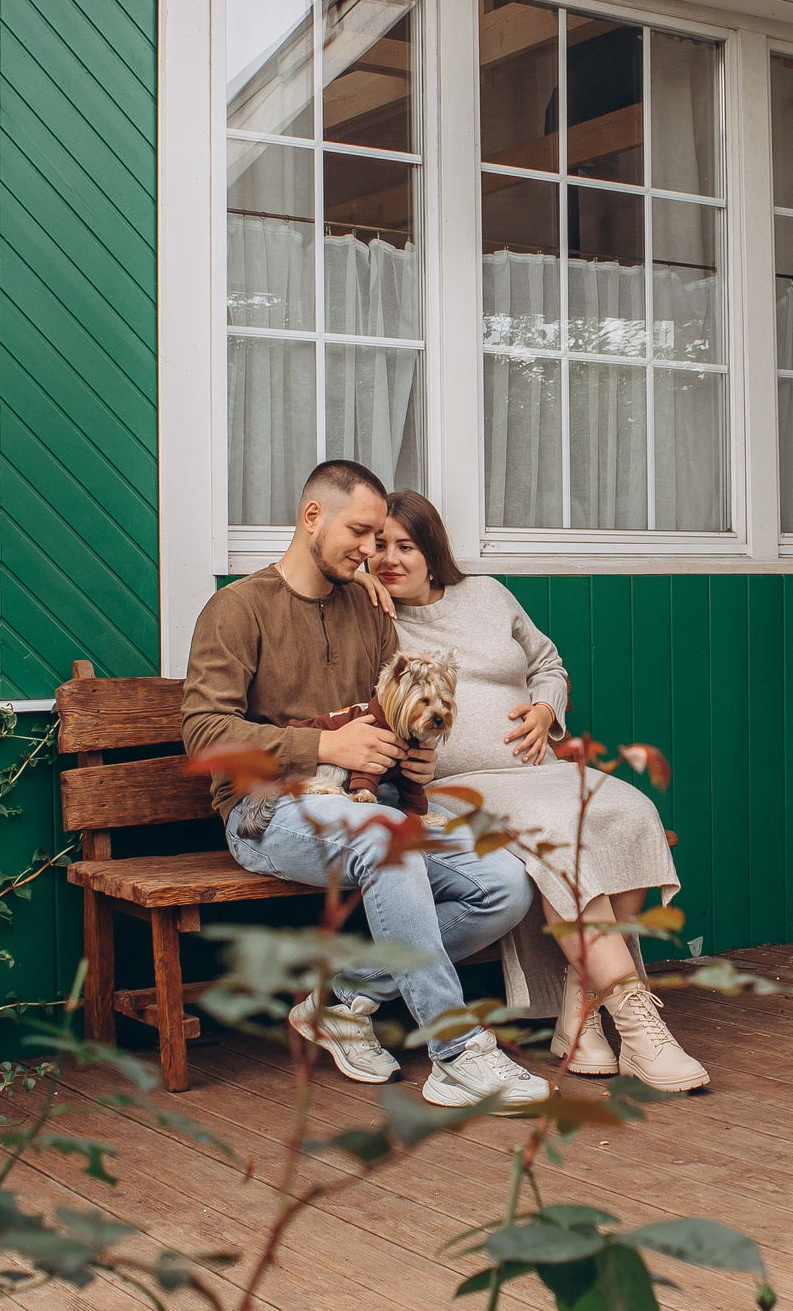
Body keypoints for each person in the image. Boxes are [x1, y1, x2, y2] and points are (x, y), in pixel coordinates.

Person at [181, 459, 548, 1107]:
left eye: (379, 536)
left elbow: (397, 710)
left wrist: (415, 756)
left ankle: (342, 998)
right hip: (266, 814)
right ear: (312, 517)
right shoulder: (236, 608)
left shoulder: (369, 611)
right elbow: (205, 732)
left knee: (504, 884)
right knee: (385, 836)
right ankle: (457, 1049)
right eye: (362, 531)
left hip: (369, 805)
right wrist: (322, 744)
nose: (373, 550)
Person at [374, 490, 709, 1094]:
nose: (391, 560)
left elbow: (547, 661)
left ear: (432, 550)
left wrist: (544, 708)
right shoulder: (373, 620)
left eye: (406, 546)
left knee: (630, 811)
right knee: (562, 833)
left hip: (537, 772)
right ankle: (635, 1025)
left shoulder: (488, 594)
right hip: (453, 787)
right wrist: (363, 598)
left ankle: (580, 1018)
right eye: (378, 548)